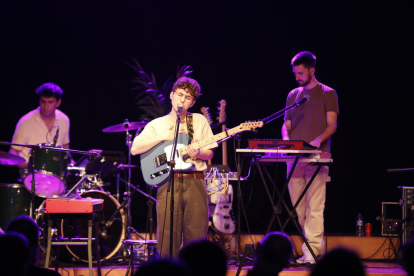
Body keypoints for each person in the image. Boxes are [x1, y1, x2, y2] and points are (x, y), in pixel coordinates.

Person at [131, 76, 217, 257]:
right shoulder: (157, 124)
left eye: (187, 97)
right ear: (171, 95)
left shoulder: (199, 121)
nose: (182, 99)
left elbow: (209, 153)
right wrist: (162, 137)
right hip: (168, 183)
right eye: (179, 94)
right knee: (167, 239)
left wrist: (198, 153)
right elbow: (135, 149)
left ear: (192, 102)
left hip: (195, 181)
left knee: (196, 238)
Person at [281, 51, 339, 264]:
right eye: (295, 73)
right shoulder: (292, 95)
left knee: (315, 206)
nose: (296, 76)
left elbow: (332, 125)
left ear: (312, 70)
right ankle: (313, 249)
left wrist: (317, 139)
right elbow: (286, 125)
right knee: (299, 208)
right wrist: (286, 140)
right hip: (294, 159)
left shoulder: (327, 93)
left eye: (300, 73)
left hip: (316, 158)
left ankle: (311, 255)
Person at [9, 82, 70, 169]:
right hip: (30, 171)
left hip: (55, 171)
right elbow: (13, 151)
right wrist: (29, 166)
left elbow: (65, 147)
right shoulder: (26, 121)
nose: (45, 106)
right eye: (43, 101)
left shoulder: (64, 120)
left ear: (58, 103)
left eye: (50, 102)